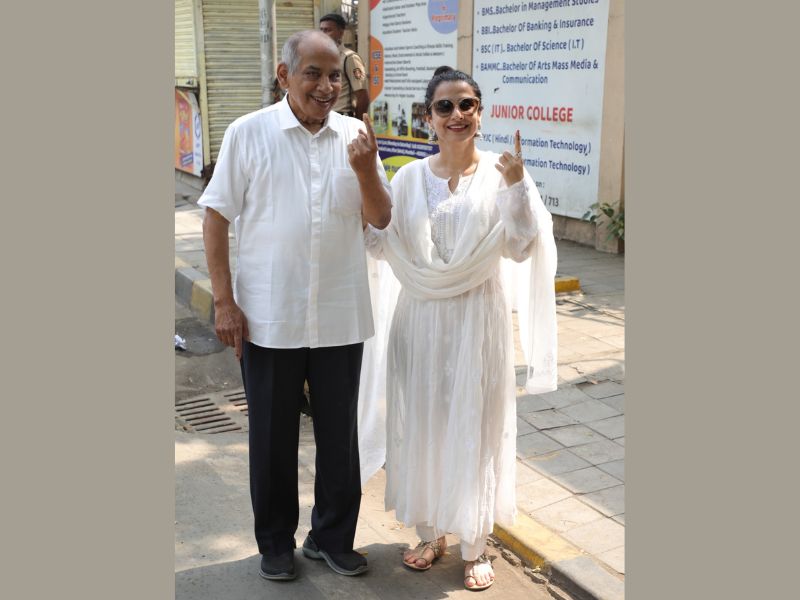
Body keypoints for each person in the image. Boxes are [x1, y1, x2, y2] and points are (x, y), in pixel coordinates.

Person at [198, 30, 392, 582]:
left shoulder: (356, 136)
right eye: (314, 73)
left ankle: (331, 538)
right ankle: (275, 543)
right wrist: (225, 302)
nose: (327, 87)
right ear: (285, 76)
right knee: (272, 438)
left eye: (334, 76)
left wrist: (365, 169)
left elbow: (381, 218)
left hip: (340, 314)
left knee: (340, 439)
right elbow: (216, 217)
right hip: (269, 317)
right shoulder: (248, 132)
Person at [360, 66, 558, 591]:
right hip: (420, 320)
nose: (456, 114)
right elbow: (380, 244)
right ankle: (430, 534)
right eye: (444, 106)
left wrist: (517, 186)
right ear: (428, 117)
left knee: (477, 425)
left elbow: (522, 247)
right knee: (424, 424)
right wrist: (362, 185)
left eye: (466, 104)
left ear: (480, 113)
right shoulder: (407, 179)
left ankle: (475, 543)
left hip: (477, 318)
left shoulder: (501, 171)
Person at [319, 13, 369, 118]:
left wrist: (357, 123)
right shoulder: (319, 57)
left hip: (342, 116)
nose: (323, 34)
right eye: (321, 30)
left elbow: (362, 96)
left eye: (328, 30)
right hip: (323, 117)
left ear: (341, 33)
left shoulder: (349, 58)